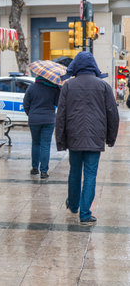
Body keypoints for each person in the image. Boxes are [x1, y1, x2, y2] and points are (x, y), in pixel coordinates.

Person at [56, 51, 119, 225]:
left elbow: (60, 115)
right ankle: (85, 214)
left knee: (74, 171)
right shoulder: (103, 86)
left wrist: (60, 139)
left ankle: (74, 205)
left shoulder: (68, 86)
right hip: (95, 137)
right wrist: (111, 137)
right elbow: (112, 114)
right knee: (90, 174)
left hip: (74, 137)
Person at [23, 76, 60, 179]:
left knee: (35, 143)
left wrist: (30, 114)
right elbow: (58, 103)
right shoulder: (53, 88)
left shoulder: (32, 87)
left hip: (34, 119)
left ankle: (35, 168)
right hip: (49, 120)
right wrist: (58, 89)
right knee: (45, 145)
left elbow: (26, 103)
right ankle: (44, 171)